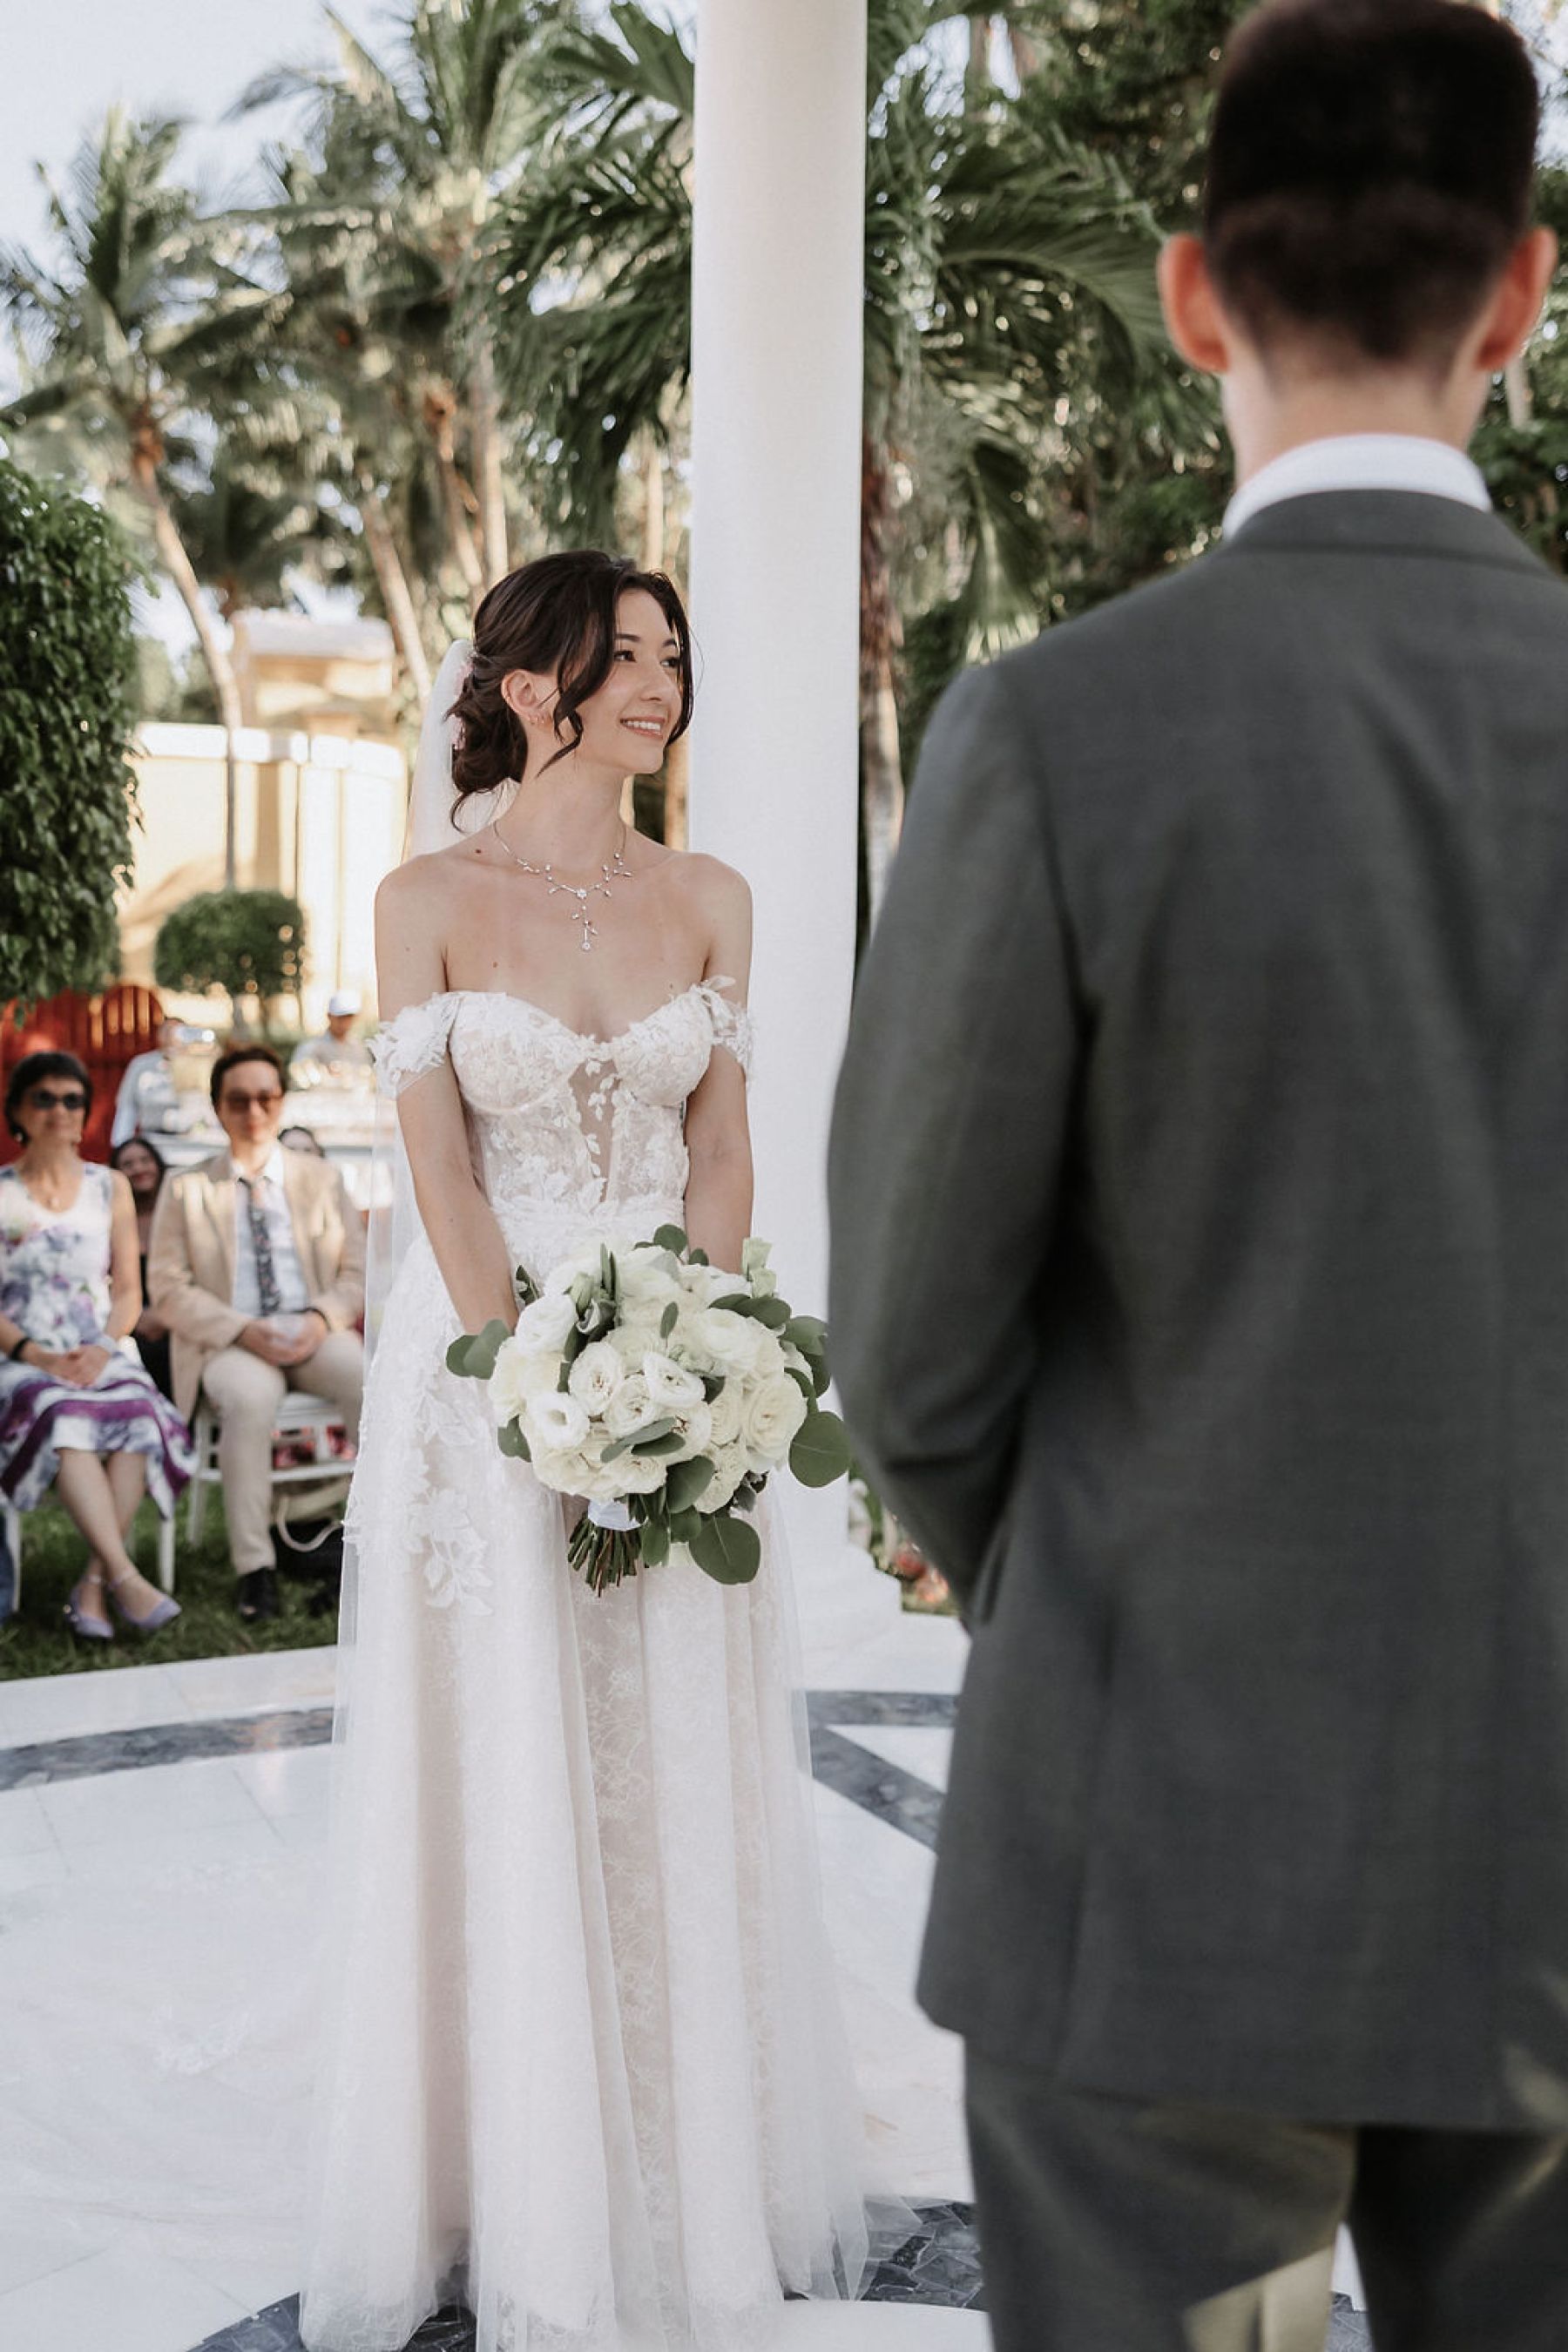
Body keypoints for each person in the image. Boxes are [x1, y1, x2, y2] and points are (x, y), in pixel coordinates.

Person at [828, 3, 1568, 2348]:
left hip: (1147, 1838)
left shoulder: (1053, 731)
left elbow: (910, 1346)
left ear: (1188, 295)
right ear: (1522, 293)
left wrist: (1097, 1579)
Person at [299, 552, 869, 2351]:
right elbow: (442, 1171)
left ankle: (690, 2165)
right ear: (529, 682)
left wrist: (692, 1362)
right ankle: (512, 2174)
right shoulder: (424, 898)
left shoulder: (710, 895)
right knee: (508, 1756)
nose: (659, 683)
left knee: (667, 1747)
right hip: (488, 1380)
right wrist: (534, 1390)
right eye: (623, 654)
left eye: (672, 654)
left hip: (680, 1368)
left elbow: (725, 1149)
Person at [148, 1044, 365, 1624]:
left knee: (368, 1380)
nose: (254, 1111)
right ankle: (256, 1567)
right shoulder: (186, 1188)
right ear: (218, 1107)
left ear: (282, 1101)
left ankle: (369, 1543)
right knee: (248, 1399)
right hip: (230, 1340)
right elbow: (167, 1288)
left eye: (266, 1098)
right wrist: (242, 1329)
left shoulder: (322, 1179)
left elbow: (356, 1273)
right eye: (239, 1100)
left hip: (310, 1330)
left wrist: (319, 1319)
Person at [0, 1052, 190, 1638]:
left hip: (101, 1349)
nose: (59, 1110)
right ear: (18, 1111)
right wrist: (38, 1355)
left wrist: (105, 1348)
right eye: (44, 1098)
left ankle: (91, 1587)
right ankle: (125, 1579)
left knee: (139, 1416)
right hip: (21, 1356)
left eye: (72, 1099)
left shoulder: (111, 1187)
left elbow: (128, 1291)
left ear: (85, 1113)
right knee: (63, 1415)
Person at [109, 1134, 173, 1400]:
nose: (138, 1169)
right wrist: (133, 1319)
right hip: (128, 1325)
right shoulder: (109, 1221)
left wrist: (165, 1317)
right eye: (128, 1164)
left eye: (145, 1160)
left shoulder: (177, 1213)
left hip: (176, 1321)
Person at [111, 1017, 183, 1146]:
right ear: (159, 1035)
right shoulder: (141, 1065)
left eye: (177, 1032)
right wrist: (121, 1144)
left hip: (189, 1141)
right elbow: (127, 1106)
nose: (172, 1037)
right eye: (167, 1032)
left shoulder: (200, 1065)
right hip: (152, 1139)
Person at [290, 992, 373, 1078]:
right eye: (340, 1017)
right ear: (329, 1016)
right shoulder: (310, 1048)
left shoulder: (360, 1048)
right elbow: (299, 1075)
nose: (344, 1022)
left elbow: (368, 1076)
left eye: (348, 1017)